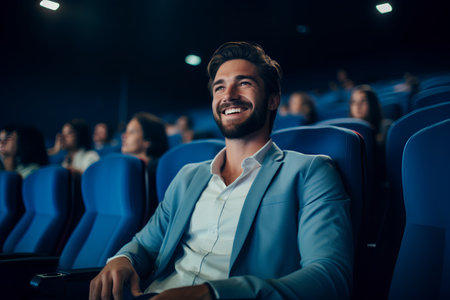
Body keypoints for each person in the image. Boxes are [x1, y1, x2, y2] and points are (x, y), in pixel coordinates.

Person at [90, 41, 353, 300]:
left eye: (244, 83)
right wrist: (124, 259)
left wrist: (212, 294)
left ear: (273, 100)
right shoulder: (187, 177)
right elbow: (145, 245)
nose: (229, 95)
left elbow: (330, 277)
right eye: (220, 87)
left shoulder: (310, 172)